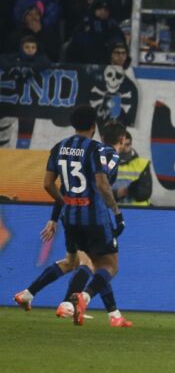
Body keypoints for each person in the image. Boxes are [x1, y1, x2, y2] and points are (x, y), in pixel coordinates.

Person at [12, 106, 125, 327]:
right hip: (92, 217)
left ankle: (29, 294)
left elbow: (51, 184)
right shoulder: (96, 151)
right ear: (93, 126)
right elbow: (102, 184)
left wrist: (61, 210)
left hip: (69, 216)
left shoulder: (59, 147)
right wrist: (117, 213)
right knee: (104, 264)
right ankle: (72, 303)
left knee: (73, 261)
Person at [115, 130, 152, 207]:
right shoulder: (104, 163)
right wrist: (116, 193)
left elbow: (145, 193)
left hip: (138, 212)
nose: (124, 148)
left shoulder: (142, 164)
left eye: (127, 144)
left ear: (131, 144)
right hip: (112, 211)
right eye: (121, 144)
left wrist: (130, 190)